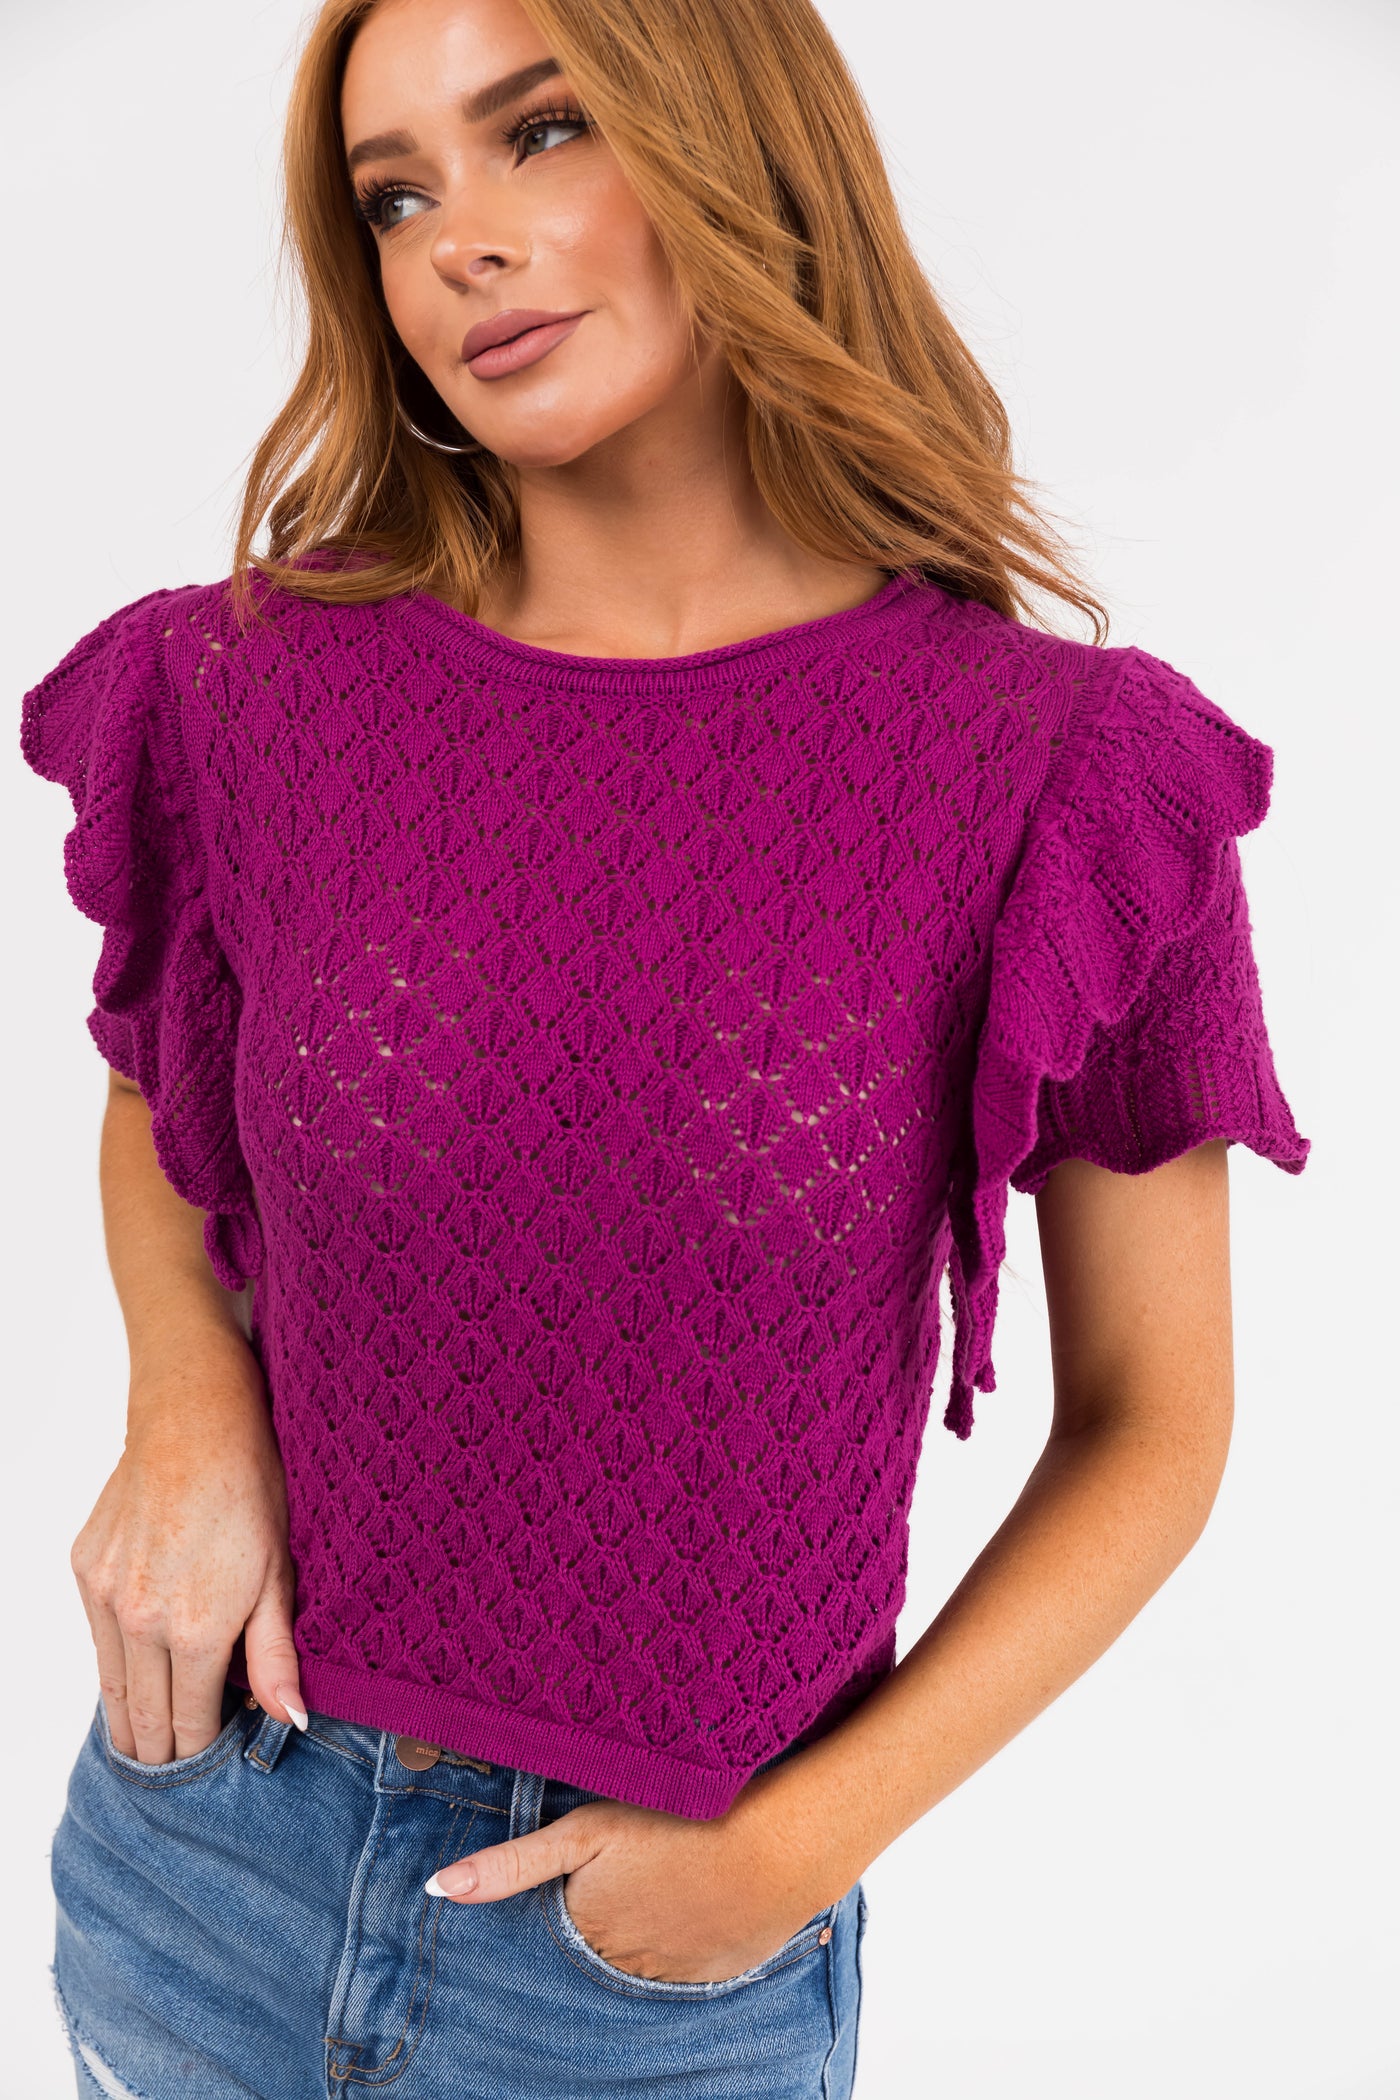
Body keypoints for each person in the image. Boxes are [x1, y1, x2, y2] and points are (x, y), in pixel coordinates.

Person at [20, 0, 1310, 2094]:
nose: (459, 238)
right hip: (205, 1861)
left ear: (739, 143)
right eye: (393, 197)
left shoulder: (1061, 777)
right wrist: (184, 1407)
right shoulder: (252, 688)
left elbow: (1153, 1427)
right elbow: (166, 1100)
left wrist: (788, 1855)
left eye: (540, 132)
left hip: (643, 1980)